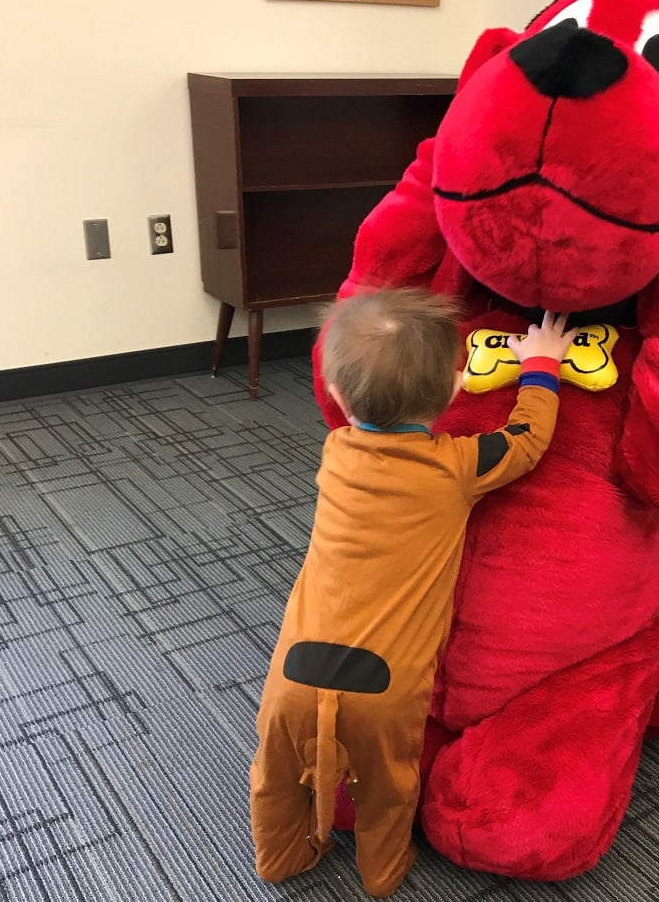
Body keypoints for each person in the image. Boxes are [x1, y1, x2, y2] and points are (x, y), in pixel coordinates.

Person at [249, 287, 574, 897]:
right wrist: (540, 366)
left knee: (276, 772)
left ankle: (280, 855)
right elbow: (528, 441)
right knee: (387, 785)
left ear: (339, 399)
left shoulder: (336, 452)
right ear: (454, 392)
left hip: (293, 675)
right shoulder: (459, 466)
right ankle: (381, 873)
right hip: (387, 687)